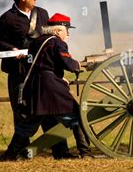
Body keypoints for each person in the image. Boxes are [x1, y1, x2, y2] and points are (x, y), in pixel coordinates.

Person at [0, 0, 71, 161]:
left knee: (51, 112)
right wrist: (12, 50)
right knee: (23, 113)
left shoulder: (42, 14)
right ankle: (22, 153)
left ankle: (61, 152)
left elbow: (49, 38)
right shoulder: (7, 19)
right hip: (19, 71)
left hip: (40, 71)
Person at [14, 13, 93, 158]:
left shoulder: (37, 41)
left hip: (36, 86)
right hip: (51, 87)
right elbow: (68, 63)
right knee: (76, 116)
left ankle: (10, 154)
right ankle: (86, 153)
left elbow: (42, 63)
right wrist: (77, 65)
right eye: (66, 30)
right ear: (57, 31)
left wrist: (59, 77)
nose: (68, 34)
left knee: (28, 124)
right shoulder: (57, 42)